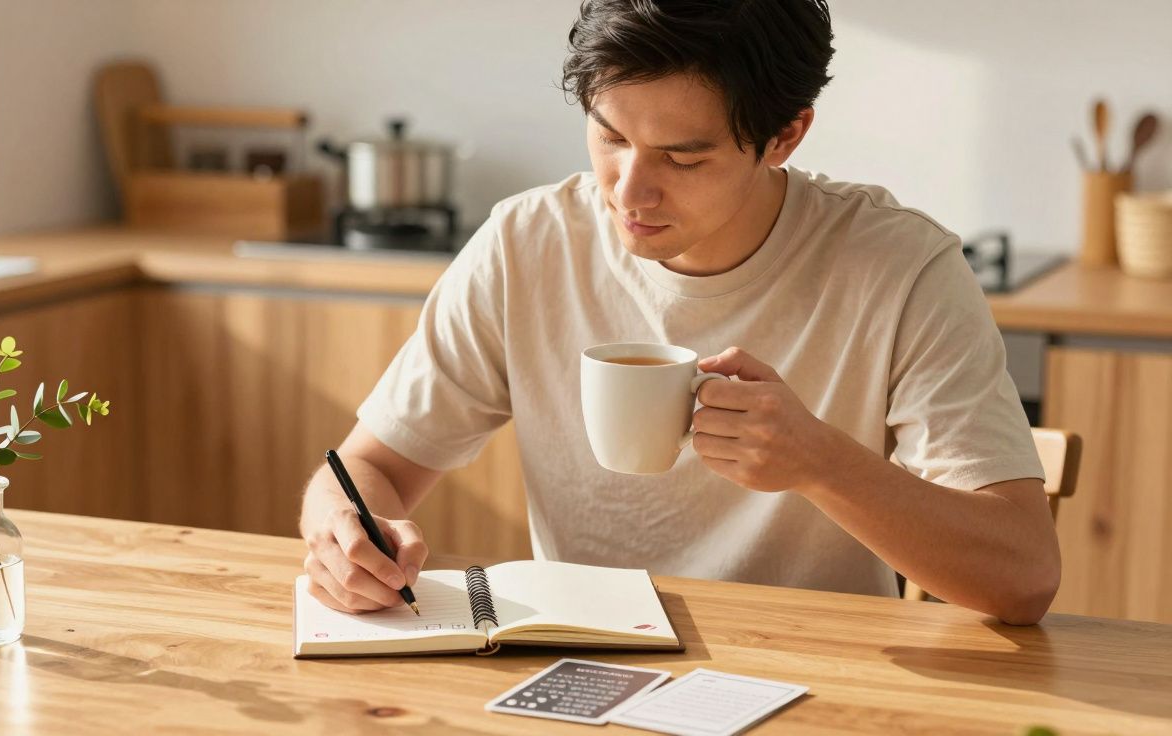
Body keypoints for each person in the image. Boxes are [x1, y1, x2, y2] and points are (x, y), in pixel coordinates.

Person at [299, 0, 1061, 625]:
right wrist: (345, 535)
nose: (629, 191)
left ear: (785, 135)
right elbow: (368, 468)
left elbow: (1024, 576)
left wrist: (822, 463)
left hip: (820, 683)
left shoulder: (901, 269)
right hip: (583, 668)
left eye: (683, 157)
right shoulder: (526, 245)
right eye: (610, 136)